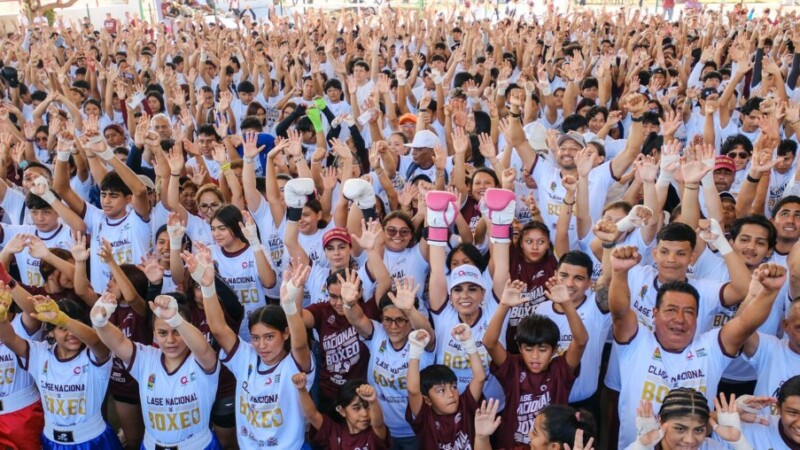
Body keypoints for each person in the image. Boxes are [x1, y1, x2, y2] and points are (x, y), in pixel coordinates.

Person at [608, 244, 786, 449]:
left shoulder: (710, 347)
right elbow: (620, 313)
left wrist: (769, 292)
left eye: (689, 312)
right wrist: (619, 272)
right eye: (671, 310)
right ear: (654, 313)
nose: (680, 319)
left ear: (697, 316)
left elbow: (745, 325)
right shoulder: (637, 341)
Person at [185, 243, 314, 449]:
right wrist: (208, 285)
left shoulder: (295, 363)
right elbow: (218, 329)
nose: (261, 345)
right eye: (255, 338)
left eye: (269, 337)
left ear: (286, 333)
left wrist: (289, 305)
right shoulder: (245, 356)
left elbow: (299, 344)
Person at [91, 292, 222, 449]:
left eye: (177, 332)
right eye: (162, 333)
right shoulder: (146, 358)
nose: (170, 340)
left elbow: (204, 348)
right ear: (154, 333)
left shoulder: (200, 360)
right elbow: (118, 342)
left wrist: (176, 319)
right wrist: (99, 322)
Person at [0, 295, 122, 449]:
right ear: (51, 332)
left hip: (93, 441)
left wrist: (63, 320)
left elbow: (96, 340)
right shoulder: (40, 352)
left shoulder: (94, 355)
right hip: (52, 441)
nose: (71, 334)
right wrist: (2, 320)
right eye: (62, 328)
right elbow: (10, 340)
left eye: (76, 327)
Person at [483, 274, 588, 449]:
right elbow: (489, 343)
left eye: (543, 350)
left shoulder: (560, 370)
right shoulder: (513, 367)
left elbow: (581, 341)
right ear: (520, 347)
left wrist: (567, 304)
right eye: (529, 349)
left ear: (554, 350)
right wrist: (504, 306)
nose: (535, 357)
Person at [342, 276, 436, 450]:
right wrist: (348, 303)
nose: (393, 326)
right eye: (387, 319)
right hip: (380, 429)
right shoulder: (378, 333)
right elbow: (357, 319)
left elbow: (426, 331)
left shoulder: (420, 340)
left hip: (415, 432)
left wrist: (409, 309)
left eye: (401, 319)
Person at [406, 325, 485, 449]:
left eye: (453, 387)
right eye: (441, 390)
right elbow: (413, 390)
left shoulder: (464, 405)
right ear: (427, 400)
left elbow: (479, 377)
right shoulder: (425, 417)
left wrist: (468, 343)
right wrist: (415, 351)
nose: (450, 394)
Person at [627, 389, 752, 450]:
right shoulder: (642, 446)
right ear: (660, 421)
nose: (690, 440)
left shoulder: (711, 447)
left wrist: (740, 443)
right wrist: (640, 448)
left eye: (698, 430)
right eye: (680, 429)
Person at [293, 374, 390, 449]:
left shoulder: (373, 434)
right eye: (356, 408)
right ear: (341, 411)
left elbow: (378, 424)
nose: (364, 414)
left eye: (367, 407)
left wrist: (373, 401)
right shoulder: (333, 432)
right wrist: (302, 389)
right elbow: (312, 415)